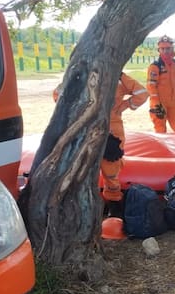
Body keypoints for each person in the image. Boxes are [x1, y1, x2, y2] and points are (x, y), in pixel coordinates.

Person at [53, 73, 148, 217]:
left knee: (111, 170)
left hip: (109, 132)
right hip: (87, 131)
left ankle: (113, 205)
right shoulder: (83, 81)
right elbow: (58, 96)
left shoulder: (117, 83)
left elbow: (142, 94)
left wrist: (124, 102)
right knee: (85, 168)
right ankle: (92, 203)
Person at [147, 35, 175, 133]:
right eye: (162, 49)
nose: (165, 51)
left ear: (172, 49)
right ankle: (160, 149)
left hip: (173, 103)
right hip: (159, 103)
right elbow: (151, 86)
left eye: (168, 48)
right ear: (159, 50)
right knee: (160, 131)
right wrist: (156, 104)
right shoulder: (155, 66)